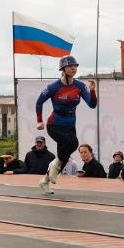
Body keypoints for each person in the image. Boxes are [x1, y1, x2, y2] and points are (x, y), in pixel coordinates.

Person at [35, 55, 97, 194]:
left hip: (70, 126)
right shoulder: (54, 87)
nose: (74, 68)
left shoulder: (80, 86)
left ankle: (45, 181)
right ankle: (54, 169)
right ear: (63, 68)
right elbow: (39, 102)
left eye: (75, 66)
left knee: (63, 156)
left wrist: (92, 90)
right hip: (55, 125)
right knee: (74, 144)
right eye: (70, 66)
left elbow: (92, 105)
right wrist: (39, 120)